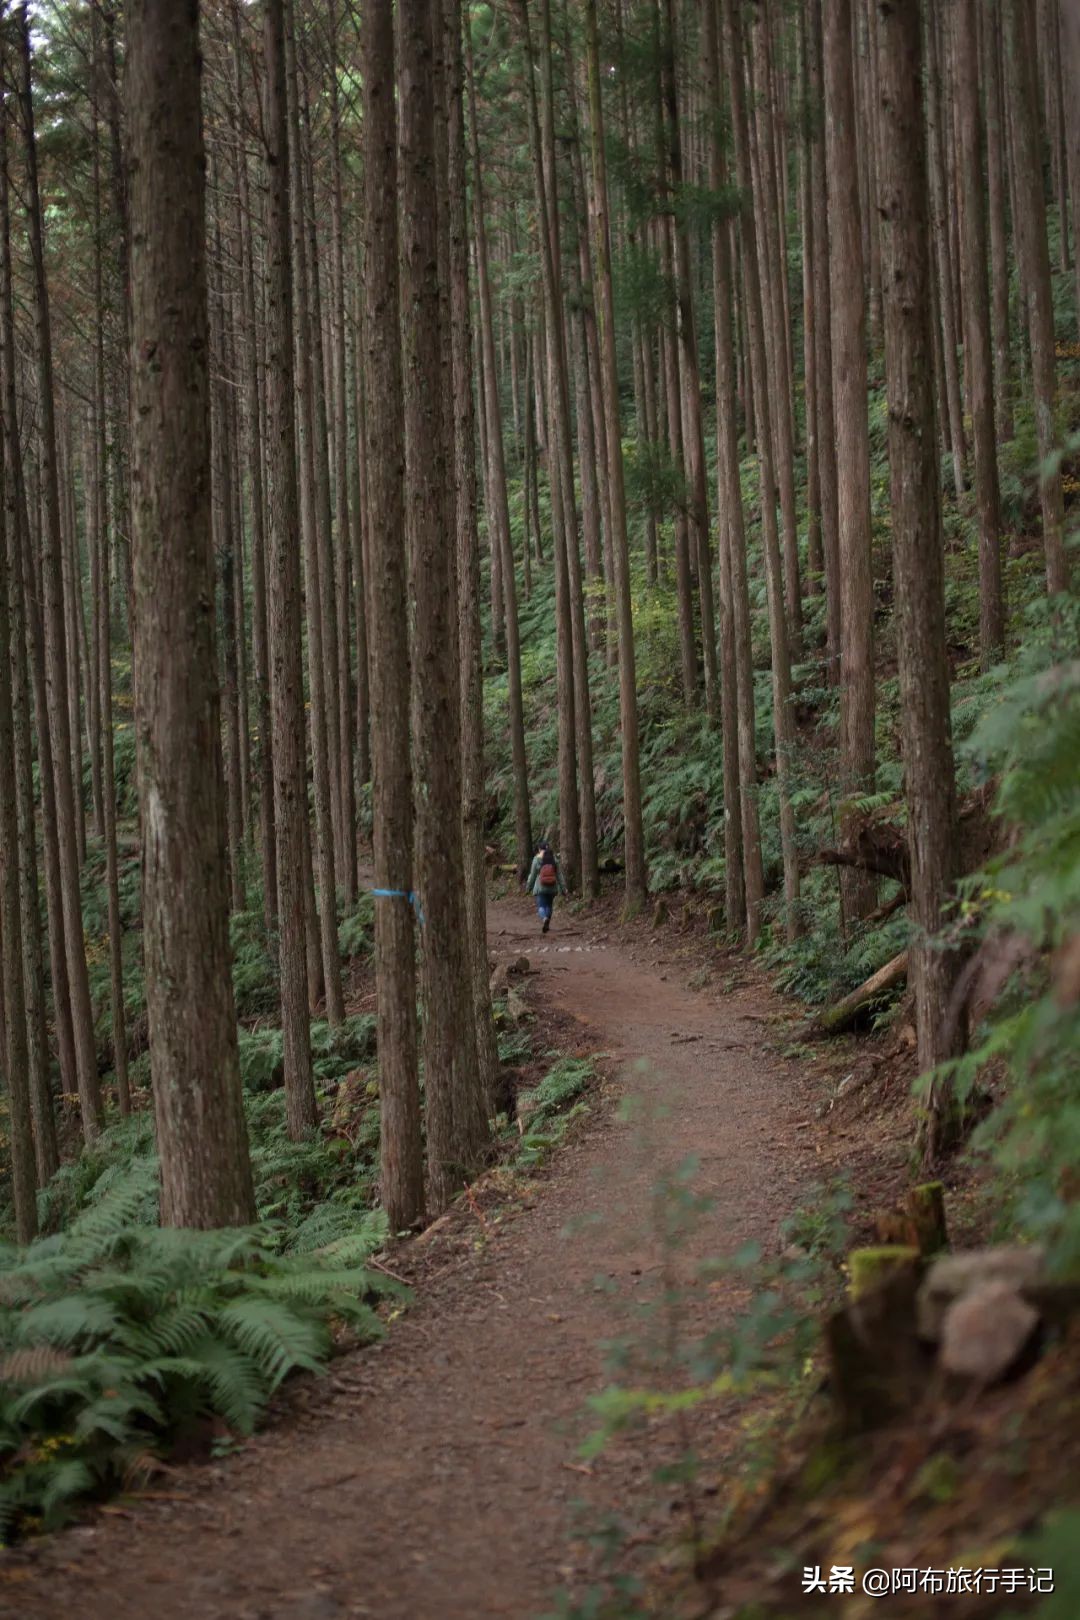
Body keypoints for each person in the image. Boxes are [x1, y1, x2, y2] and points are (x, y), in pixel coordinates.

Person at [525, 840, 565, 934]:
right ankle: (547, 921)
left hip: (540, 887)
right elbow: (559, 875)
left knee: (541, 906)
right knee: (549, 905)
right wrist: (563, 888)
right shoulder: (554, 859)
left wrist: (528, 887)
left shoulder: (536, 859)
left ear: (539, 849)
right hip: (552, 887)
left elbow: (532, 875)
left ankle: (544, 918)